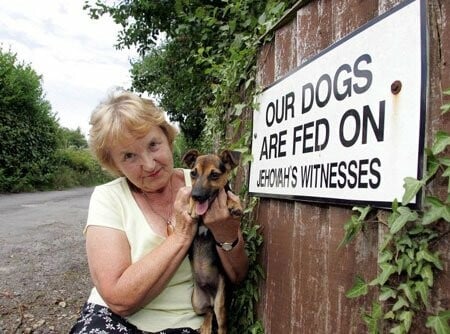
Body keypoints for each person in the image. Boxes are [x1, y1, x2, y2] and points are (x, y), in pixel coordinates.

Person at [70, 90, 249, 334]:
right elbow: (118, 299)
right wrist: (181, 236)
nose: (149, 164)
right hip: (111, 319)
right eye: (129, 156)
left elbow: (237, 275)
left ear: (167, 137)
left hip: (183, 322)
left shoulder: (204, 183)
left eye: (153, 145)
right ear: (114, 164)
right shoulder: (108, 197)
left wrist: (225, 232)